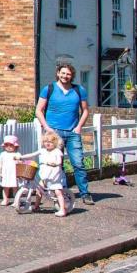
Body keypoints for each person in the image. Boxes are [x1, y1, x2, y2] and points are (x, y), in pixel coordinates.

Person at [35, 62, 93, 205]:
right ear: (58, 73)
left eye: (68, 74)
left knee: (78, 163)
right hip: (54, 134)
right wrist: (47, 127)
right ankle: (61, 193)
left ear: (72, 75)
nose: (65, 76)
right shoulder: (48, 89)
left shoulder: (79, 90)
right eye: (63, 73)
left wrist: (79, 127)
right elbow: (39, 110)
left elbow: (85, 110)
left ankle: (85, 193)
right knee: (57, 165)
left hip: (72, 132)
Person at [18, 129, 70, 217]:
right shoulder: (42, 150)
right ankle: (36, 206)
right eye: (46, 141)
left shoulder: (57, 151)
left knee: (58, 192)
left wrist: (55, 163)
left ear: (55, 143)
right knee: (39, 189)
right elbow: (32, 154)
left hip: (54, 176)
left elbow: (59, 161)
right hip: (44, 176)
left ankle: (62, 209)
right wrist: (21, 157)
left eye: (50, 142)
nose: (47, 143)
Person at [0, 134, 21, 206]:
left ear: (15, 146)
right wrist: (0, 173)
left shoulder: (17, 154)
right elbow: (0, 165)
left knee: (15, 187)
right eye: (6, 145)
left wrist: (19, 162)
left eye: (11, 145)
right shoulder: (2, 154)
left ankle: (16, 201)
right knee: (5, 187)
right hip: (5, 173)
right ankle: (5, 199)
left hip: (14, 173)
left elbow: (20, 164)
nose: (9, 147)